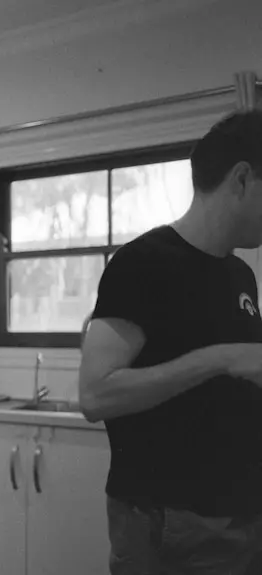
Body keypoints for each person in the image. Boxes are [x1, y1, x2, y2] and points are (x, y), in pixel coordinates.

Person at [79, 109, 262, 574]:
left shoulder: (240, 274)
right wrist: (220, 358)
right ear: (242, 179)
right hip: (169, 520)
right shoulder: (143, 264)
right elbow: (96, 395)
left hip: (237, 514)